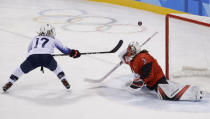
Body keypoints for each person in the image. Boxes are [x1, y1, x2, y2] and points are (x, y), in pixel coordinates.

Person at [2, 24, 81, 92]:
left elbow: (29, 50)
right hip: (47, 58)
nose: (52, 33)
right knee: (57, 69)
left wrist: (36, 54)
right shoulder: (53, 39)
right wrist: (73, 53)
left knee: (19, 70)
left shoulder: (34, 38)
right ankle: (63, 79)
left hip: (32, 58)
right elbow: (64, 49)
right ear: (47, 32)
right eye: (50, 31)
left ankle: (9, 82)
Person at [119, 41, 203, 101]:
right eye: (128, 49)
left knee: (167, 95)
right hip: (150, 84)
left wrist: (142, 81)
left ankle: (194, 92)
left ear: (134, 51)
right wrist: (124, 55)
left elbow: (149, 75)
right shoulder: (132, 60)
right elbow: (121, 56)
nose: (128, 51)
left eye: (130, 49)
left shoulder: (143, 57)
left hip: (157, 81)